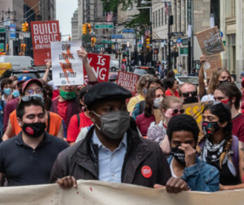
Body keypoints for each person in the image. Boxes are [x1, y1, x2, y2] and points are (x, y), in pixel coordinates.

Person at [52, 82, 185, 192]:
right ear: (92, 116)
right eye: (109, 110)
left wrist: (178, 190)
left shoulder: (151, 152)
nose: (118, 115)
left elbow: (167, 200)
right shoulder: (69, 159)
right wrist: (62, 187)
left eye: (122, 108)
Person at [0, 94, 71, 186]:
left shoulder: (61, 147)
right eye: (31, 117)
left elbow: (74, 180)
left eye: (40, 116)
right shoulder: (4, 149)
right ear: (19, 121)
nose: (37, 120)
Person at [199, 102, 244, 190]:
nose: (206, 122)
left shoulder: (238, 148)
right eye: (204, 118)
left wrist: (224, 188)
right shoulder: (198, 146)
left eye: (210, 118)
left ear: (223, 123)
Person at [166, 114, 219, 192]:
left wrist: (191, 168)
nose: (183, 147)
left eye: (188, 143)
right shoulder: (161, 168)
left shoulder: (210, 172)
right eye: (177, 143)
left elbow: (209, 201)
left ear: (196, 142)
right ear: (170, 142)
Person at [213, 82, 244, 152]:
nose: (216, 102)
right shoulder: (215, 121)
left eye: (220, 98)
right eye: (215, 99)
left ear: (233, 99)